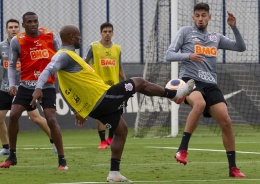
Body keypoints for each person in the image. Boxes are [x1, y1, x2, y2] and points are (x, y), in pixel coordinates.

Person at [30, 25, 195, 182]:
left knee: (121, 131)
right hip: (102, 98)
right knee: (139, 82)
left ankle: (114, 174)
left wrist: (76, 109)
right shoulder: (63, 55)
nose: (80, 38)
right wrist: (39, 88)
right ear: (72, 37)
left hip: (94, 106)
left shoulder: (71, 57)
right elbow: (47, 70)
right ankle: (174, 94)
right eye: (79, 35)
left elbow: (65, 88)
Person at [165, 2, 246, 178]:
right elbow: (169, 55)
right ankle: (182, 150)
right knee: (199, 103)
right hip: (190, 82)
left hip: (210, 84)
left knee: (226, 121)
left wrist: (234, 27)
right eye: (198, 15)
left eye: (204, 15)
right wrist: (188, 55)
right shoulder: (185, 32)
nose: (200, 18)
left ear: (209, 17)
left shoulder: (215, 37)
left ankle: (233, 168)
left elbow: (241, 47)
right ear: (193, 17)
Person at [0, 12, 67, 170]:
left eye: (35, 21)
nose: (33, 24)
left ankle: (62, 159)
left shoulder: (50, 36)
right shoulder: (18, 41)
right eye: (29, 22)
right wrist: (12, 84)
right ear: (24, 25)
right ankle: (12, 155)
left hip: (47, 85)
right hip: (26, 85)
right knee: (14, 114)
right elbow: (11, 64)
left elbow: (62, 55)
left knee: (50, 118)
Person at [84, 22, 126, 149]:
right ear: (101, 33)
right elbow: (84, 64)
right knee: (100, 115)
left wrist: (125, 81)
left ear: (112, 33)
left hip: (114, 86)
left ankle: (110, 137)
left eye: (109, 31)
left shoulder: (117, 49)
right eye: (105, 31)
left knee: (116, 114)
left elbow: (120, 67)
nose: (107, 34)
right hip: (98, 86)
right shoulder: (93, 47)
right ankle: (103, 141)